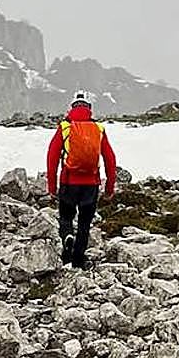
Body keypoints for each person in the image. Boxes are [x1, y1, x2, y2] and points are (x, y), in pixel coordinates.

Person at [46, 91, 117, 268]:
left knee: (66, 217)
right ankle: (77, 261)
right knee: (85, 224)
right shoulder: (99, 129)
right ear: (89, 110)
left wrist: (52, 186)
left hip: (69, 182)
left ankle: (67, 237)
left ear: (72, 108)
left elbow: (52, 157)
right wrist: (109, 188)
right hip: (91, 185)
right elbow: (110, 159)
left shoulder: (65, 127)